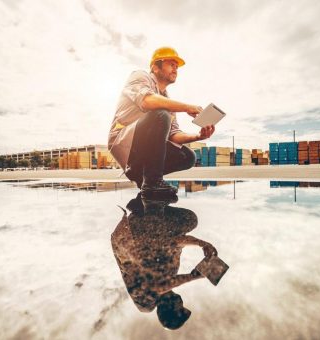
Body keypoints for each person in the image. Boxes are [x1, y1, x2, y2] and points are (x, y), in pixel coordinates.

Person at [108, 47, 215, 197]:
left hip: (142, 147)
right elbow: (146, 101)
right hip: (124, 140)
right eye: (171, 64)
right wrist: (186, 107)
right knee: (160, 115)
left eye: (177, 67)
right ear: (155, 67)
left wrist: (199, 136)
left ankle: (142, 176)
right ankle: (152, 182)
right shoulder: (140, 76)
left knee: (188, 157)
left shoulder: (166, 100)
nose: (175, 69)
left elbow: (174, 135)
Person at [111, 193, 218, 329]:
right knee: (190, 220)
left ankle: (151, 203)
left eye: (181, 306)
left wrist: (193, 276)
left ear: (170, 310)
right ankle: (145, 207)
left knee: (188, 220)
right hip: (142, 231)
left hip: (133, 236)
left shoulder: (145, 305)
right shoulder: (171, 271)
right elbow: (175, 241)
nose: (181, 301)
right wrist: (202, 244)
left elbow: (157, 286)